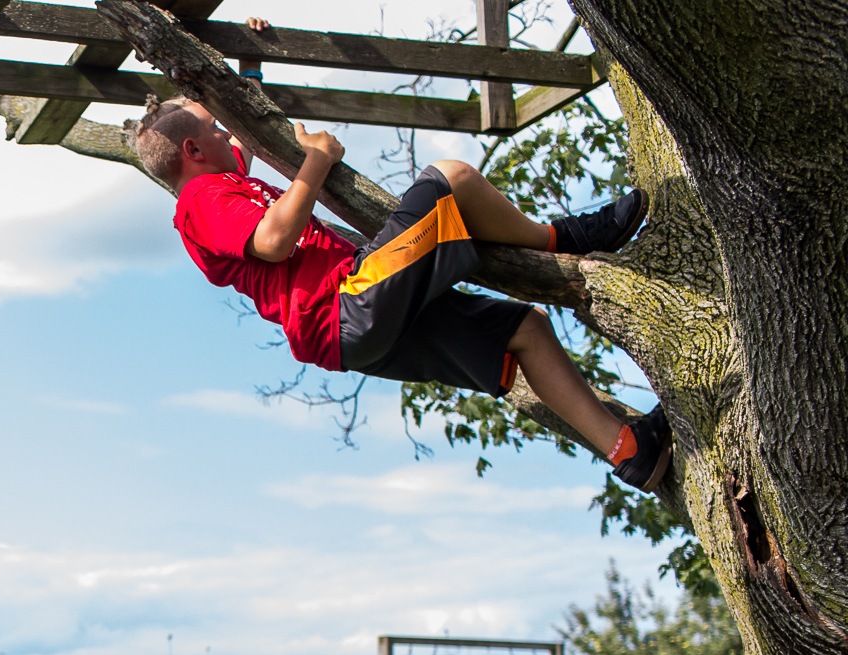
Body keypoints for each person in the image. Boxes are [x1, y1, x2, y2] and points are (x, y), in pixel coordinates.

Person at [131, 20, 671, 492]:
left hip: (348, 334)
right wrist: (315, 161)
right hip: (343, 303)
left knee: (524, 330)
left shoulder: (225, 184)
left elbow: (247, 123)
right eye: (213, 129)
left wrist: (249, 60)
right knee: (451, 178)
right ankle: (563, 239)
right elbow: (275, 240)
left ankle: (629, 451)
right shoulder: (201, 202)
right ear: (193, 152)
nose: (228, 133)